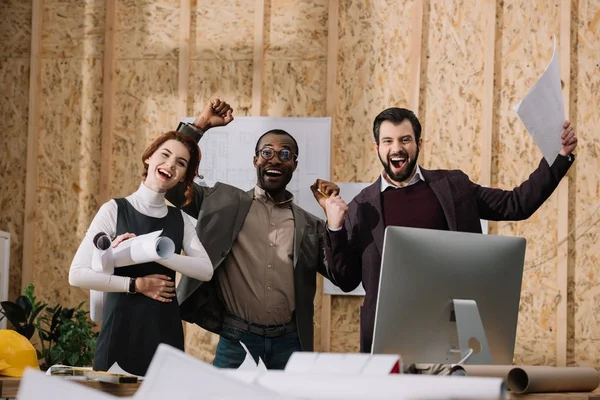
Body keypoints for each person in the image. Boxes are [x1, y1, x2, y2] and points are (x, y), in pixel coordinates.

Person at [311, 107, 578, 353]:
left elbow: (516, 205)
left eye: (405, 139)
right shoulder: (361, 207)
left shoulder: (453, 185)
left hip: (453, 327)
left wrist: (559, 156)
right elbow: (347, 281)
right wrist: (334, 226)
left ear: (419, 144)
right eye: (388, 141)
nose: (397, 148)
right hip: (388, 332)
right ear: (377, 147)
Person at [167, 99, 337, 370]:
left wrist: (335, 220)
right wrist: (199, 126)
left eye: (285, 155)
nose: (275, 160)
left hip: (290, 343)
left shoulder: (310, 224)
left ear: (294, 164)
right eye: (267, 152)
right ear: (255, 160)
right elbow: (172, 186)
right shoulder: (222, 203)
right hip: (237, 340)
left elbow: (341, 275)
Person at [69, 131, 214, 376]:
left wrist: (152, 251)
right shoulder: (114, 210)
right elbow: (77, 275)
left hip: (164, 334)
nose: (170, 165)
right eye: (165, 155)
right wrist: (136, 284)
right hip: (120, 331)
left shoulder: (181, 220)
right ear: (149, 157)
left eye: (181, 163)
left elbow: (206, 270)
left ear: (183, 178)